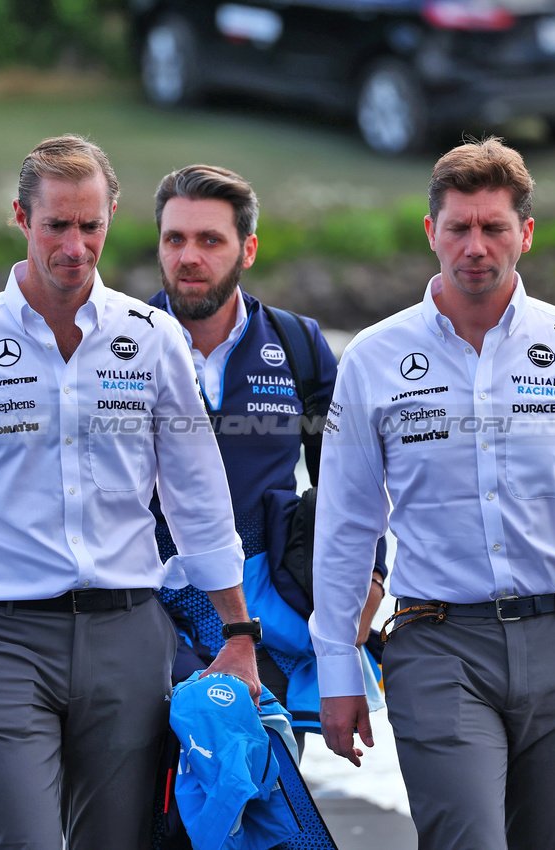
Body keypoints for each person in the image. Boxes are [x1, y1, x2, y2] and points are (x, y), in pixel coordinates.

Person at [0, 135, 259, 850]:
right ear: (21, 219)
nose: (75, 246)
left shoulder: (153, 340)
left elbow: (197, 498)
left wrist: (237, 634)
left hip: (127, 637)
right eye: (57, 225)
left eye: (91, 225)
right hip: (2, 640)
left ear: (111, 216)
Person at [310, 138, 555, 850]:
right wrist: (335, 670)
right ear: (430, 233)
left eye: (493, 227)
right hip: (437, 644)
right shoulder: (372, 358)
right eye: (459, 227)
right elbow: (346, 526)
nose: (475, 246)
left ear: (524, 234)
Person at [147, 164, 386, 753]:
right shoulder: (117, 341)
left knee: (259, 802)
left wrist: (372, 580)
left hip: (263, 613)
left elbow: (350, 481)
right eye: (174, 239)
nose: (189, 257)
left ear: (247, 249)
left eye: (210, 240)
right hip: (139, 605)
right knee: (139, 809)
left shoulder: (298, 343)